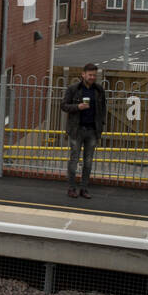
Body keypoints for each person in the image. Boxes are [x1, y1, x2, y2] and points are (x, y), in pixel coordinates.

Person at [60, 62, 105, 199]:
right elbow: (63, 105)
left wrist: (101, 126)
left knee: (88, 161)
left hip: (92, 130)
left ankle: (84, 189)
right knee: (74, 160)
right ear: (83, 74)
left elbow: (103, 109)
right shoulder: (73, 89)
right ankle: (71, 188)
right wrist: (78, 107)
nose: (92, 77)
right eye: (90, 75)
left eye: (94, 75)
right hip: (77, 130)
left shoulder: (98, 90)